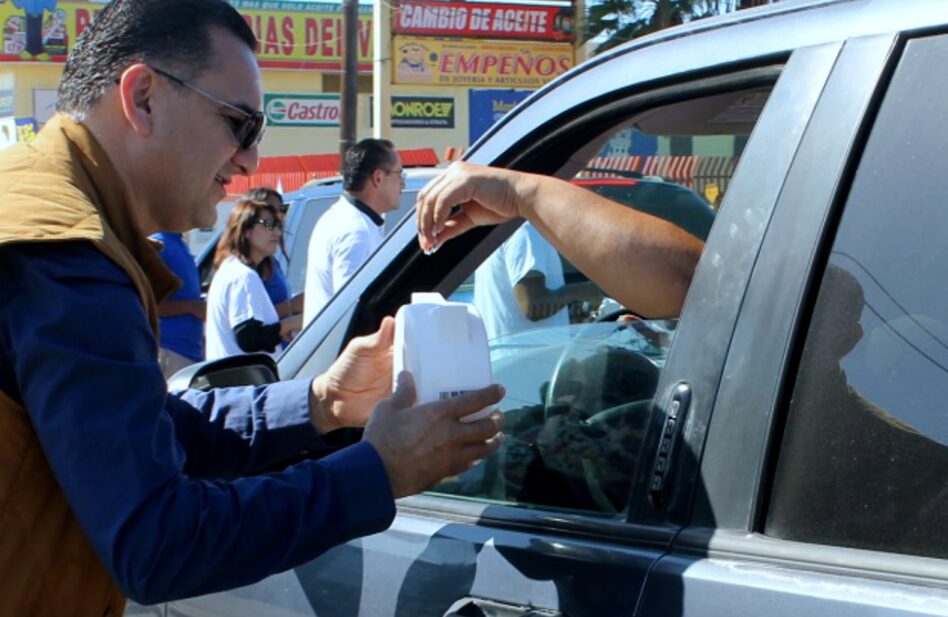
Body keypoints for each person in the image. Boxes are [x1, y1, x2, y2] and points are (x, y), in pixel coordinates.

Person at [0, 2, 504, 614]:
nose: (250, 160)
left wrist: (323, 402)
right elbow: (158, 543)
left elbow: (144, 432)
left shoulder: (34, 207)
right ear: (143, 99)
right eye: (240, 123)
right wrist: (379, 471)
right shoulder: (64, 252)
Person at [416, 161, 704, 319]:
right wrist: (586, 291)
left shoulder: (522, 221)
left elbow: (694, 286)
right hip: (525, 375)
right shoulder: (525, 227)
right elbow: (532, 305)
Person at [304, 138, 406, 326]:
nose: (403, 185)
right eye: (400, 175)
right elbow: (351, 311)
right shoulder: (355, 231)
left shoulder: (343, 218)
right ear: (378, 178)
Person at [473, 221, 602, 343]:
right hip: (528, 361)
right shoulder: (527, 231)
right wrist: (584, 291)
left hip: (510, 358)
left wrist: (566, 317)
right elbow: (532, 306)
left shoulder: (504, 230)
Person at [206, 196, 301, 359]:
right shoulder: (243, 276)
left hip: (232, 378)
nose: (277, 233)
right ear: (246, 229)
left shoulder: (232, 268)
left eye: (278, 226)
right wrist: (288, 324)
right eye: (268, 225)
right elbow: (248, 338)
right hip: (242, 380)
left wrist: (278, 330)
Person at [242, 186, 305, 318]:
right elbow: (250, 322)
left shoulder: (271, 261)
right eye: (268, 219)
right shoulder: (242, 272)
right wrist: (292, 306)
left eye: (281, 210)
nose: (278, 216)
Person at [151, 231, 206, 377]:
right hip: (170, 351)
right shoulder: (159, 244)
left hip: (188, 354)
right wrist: (192, 307)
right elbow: (149, 303)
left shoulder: (178, 243)